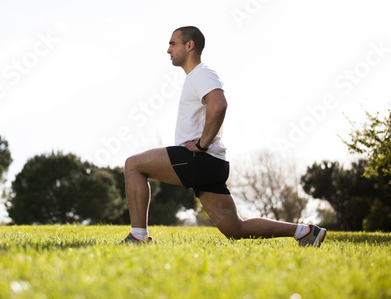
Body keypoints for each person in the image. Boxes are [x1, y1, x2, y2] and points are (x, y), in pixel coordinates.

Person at [121, 26, 327, 247]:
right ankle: (305, 232)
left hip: (199, 158)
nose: (168, 50)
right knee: (235, 229)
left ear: (189, 45)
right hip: (212, 163)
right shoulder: (196, 77)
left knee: (134, 165)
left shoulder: (202, 73)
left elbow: (219, 105)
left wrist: (202, 144)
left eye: (173, 44)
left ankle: (138, 236)